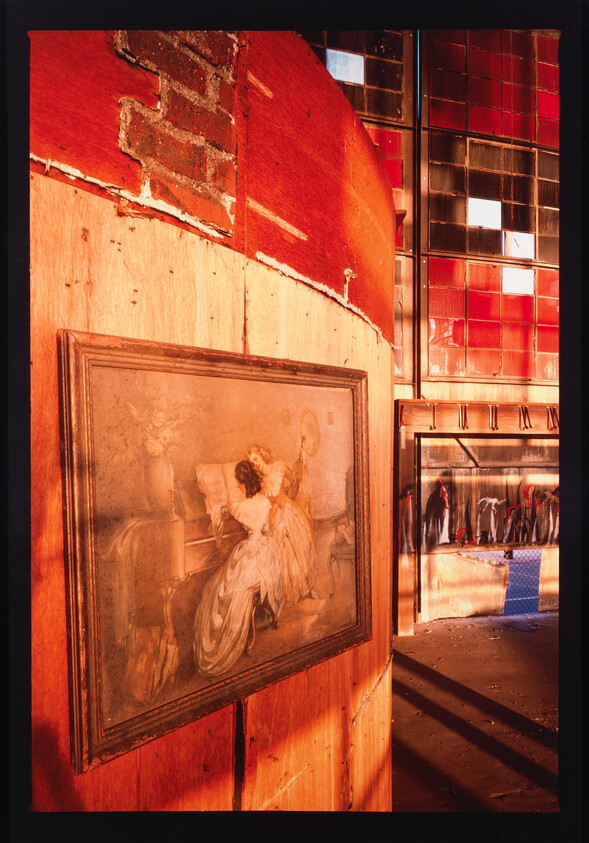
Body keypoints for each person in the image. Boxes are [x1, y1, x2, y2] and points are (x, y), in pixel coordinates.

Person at [193, 460, 283, 677]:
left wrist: (206, 491)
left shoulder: (237, 506)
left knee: (224, 589)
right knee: (231, 584)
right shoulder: (263, 501)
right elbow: (266, 530)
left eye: (237, 482)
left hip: (251, 552)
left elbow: (217, 509)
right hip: (268, 550)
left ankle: (226, 635)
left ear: (243, 483)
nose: (236, 485)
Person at [248, 443, 318, 609]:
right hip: (273, 517)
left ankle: (309, 587)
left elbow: (294, 481)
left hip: (287, 509)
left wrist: (300, 462)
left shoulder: (278, 466)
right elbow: (259, 502)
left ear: (261, 454)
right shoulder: (258, 481)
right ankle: (287, 593)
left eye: (256, 459)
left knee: (299, 547)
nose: (255, 464)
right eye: (252, 463)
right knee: (282, 553)